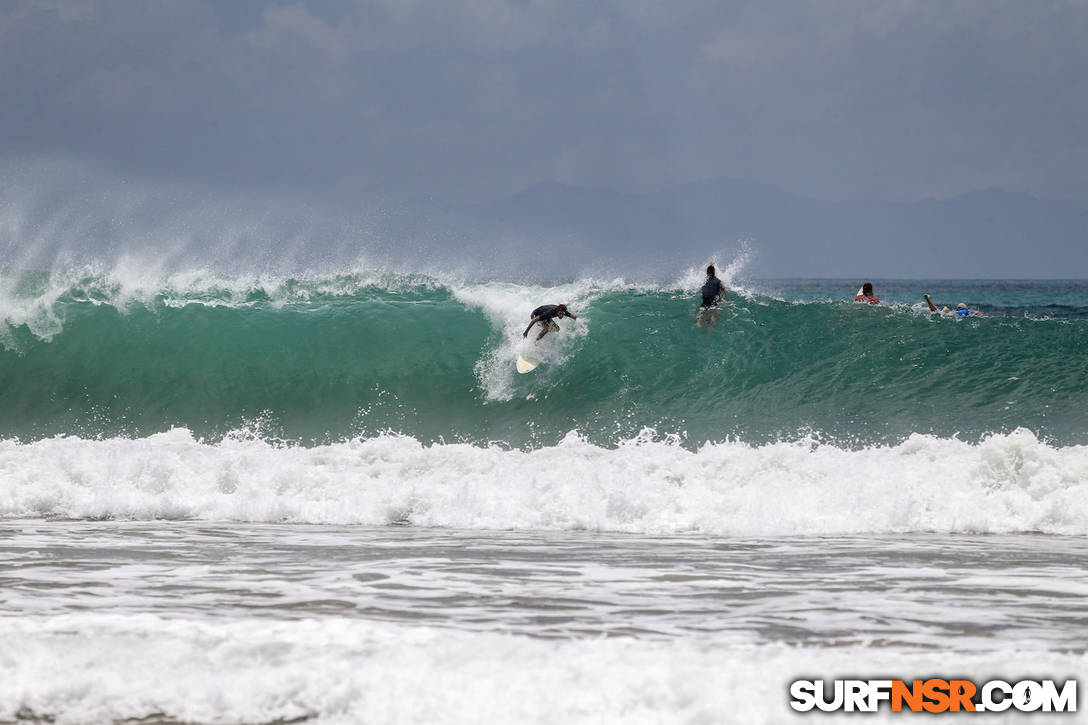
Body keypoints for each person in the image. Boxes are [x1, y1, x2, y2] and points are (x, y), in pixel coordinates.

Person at [696, 265, 727, 335]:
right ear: (714, 272)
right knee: (711, 316)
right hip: (712, 299)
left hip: (705, 298)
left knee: (703, 309)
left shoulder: (705, 280)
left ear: (707, 273)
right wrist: (724, 297)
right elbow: (723, 288)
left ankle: (698, 321)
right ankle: (708, 332)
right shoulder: (718, 281)